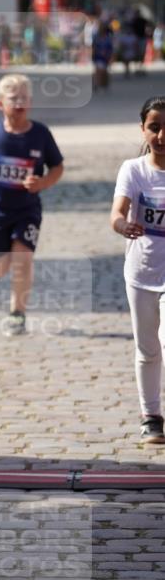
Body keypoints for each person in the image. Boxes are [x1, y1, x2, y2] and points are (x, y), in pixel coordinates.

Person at [0, 73, 64, 336]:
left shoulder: (40, 134)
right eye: (13, 98)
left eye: (24, 98)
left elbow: (57, 167)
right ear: (0, 104)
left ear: (30, 102)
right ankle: (1, 251)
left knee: (23, 260)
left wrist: (42, 183)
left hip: (26, 210)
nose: (19, 102)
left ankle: (17, 313)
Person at [109, 96, 165, 444]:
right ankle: (151, 415)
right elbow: (117, 211)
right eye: (154, 127)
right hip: (142, 273)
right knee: (147, 348)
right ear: (143, 130)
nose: (161, 136)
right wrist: (120, 225)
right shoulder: (133, 170)